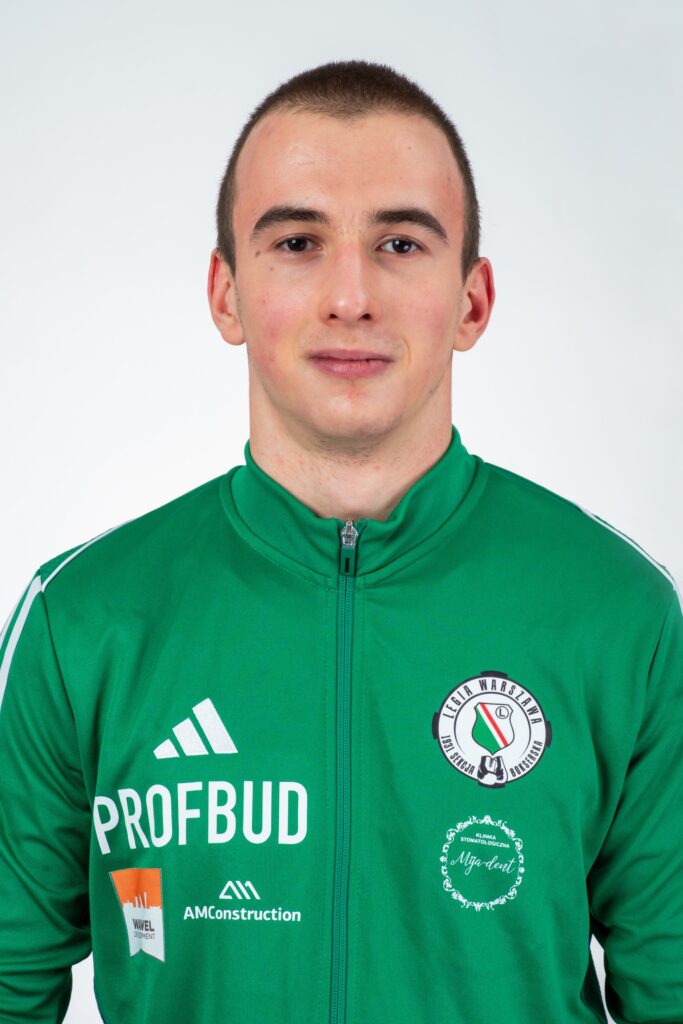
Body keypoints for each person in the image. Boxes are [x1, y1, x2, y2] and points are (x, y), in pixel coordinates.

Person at [0, 58, 680, 1024]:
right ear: (226, 294)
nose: (350, 295)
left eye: (399, 242)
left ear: (472, 302)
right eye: (297, 242)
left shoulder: (619, 614)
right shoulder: (83, 619)